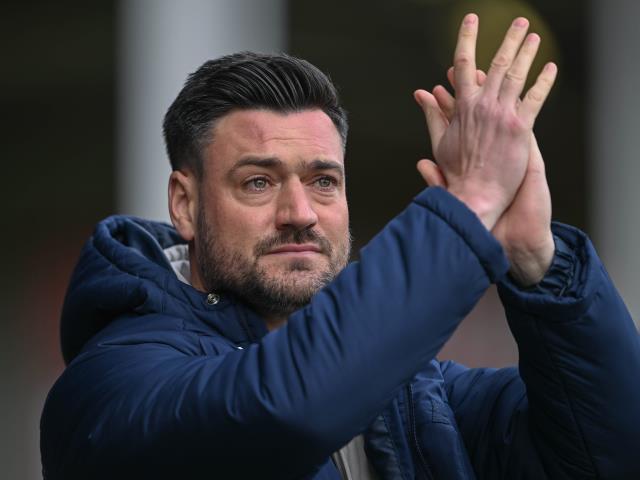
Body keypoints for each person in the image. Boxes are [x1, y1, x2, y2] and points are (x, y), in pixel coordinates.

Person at [41, 14, 640, 479]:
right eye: (258, 182)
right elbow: (286, 408)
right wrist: (470, 206)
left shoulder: (420, 397)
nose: (300, 214)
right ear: (184, 204)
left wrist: (539, 263)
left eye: (323, 181)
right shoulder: (111, 388)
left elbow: (609, 454)